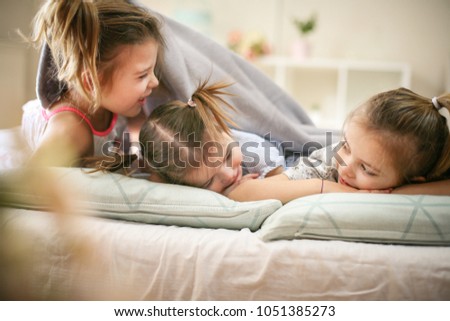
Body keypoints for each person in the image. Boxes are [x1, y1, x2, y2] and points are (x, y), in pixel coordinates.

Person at [135, 81, 450, 204]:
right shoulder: (328, 168)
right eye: (346, 146)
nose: (345, 166)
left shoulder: (249, 149)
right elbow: (246, 192)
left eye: (366, 167)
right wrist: (333, 188)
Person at [21, 0, 165, 166]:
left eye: (153, 71)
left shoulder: (116, 102)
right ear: (91, 82)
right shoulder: (69, 131)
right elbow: (28, 187)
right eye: (142, 75)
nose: (154, 82)